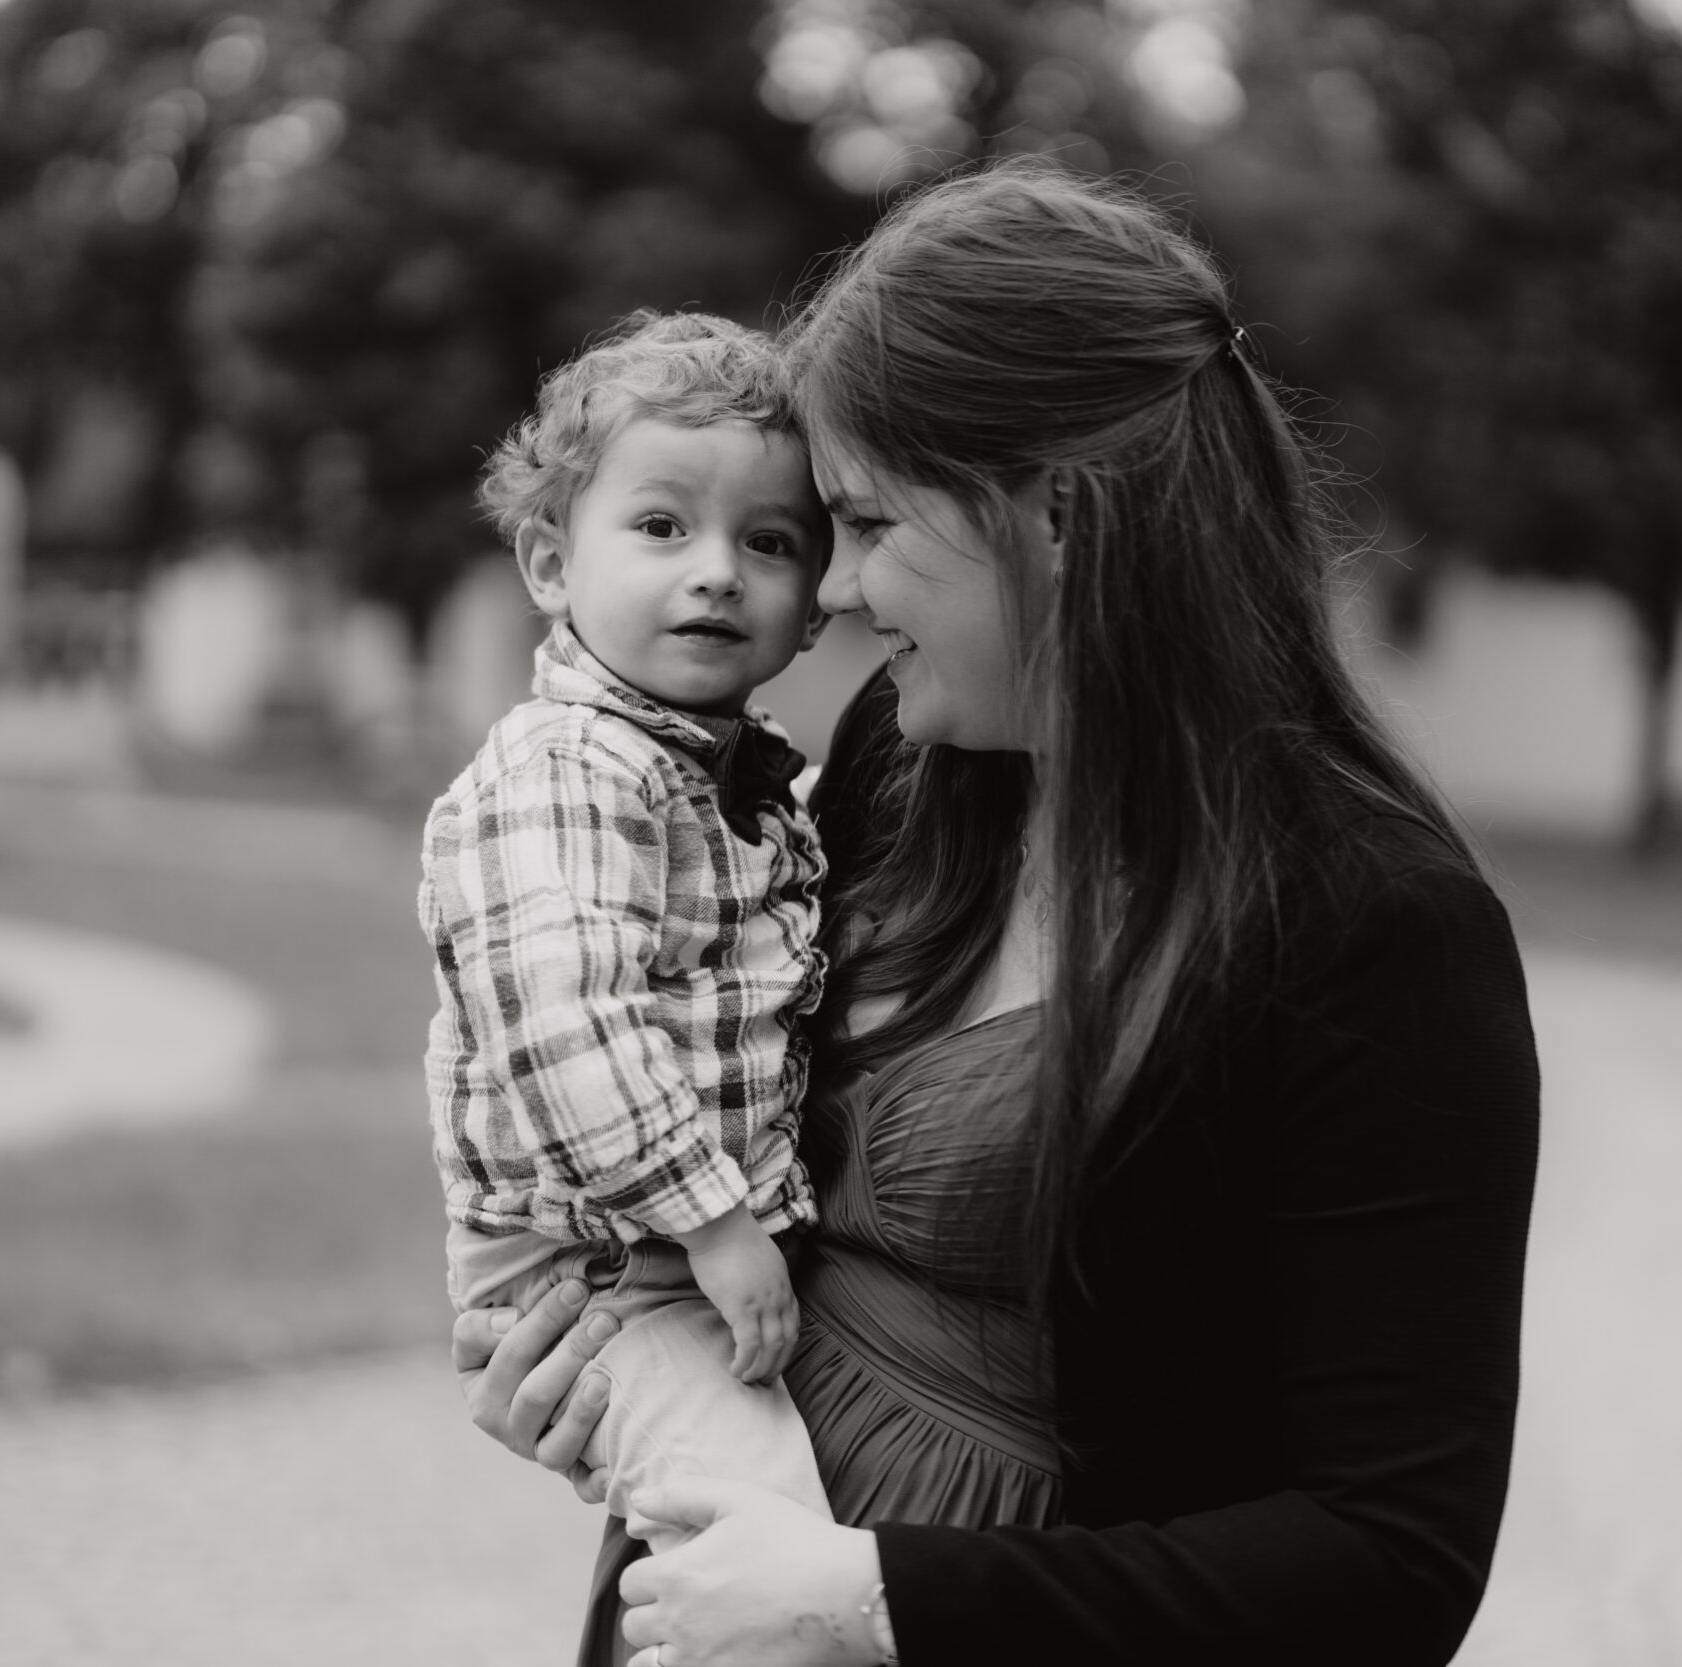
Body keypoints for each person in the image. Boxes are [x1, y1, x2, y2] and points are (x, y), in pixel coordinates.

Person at [454, 163, 1541, 1667]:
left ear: (1065, 518)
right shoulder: (901, 769)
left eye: (869, 523)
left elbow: (1389, 1558)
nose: (825, 589)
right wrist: (587, 1365)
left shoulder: (1376, 931)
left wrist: (874, 1601)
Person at [420, 311, 838, 1555]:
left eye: (768, 542)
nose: (715, 569)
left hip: (668, 1240)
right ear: (551, 565)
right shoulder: (565, 770)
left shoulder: (727, 781)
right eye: (661, 526)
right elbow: (563, 1024)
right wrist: (715, 1222)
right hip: (607, 1260)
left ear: (815, 605)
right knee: (756, 1540)